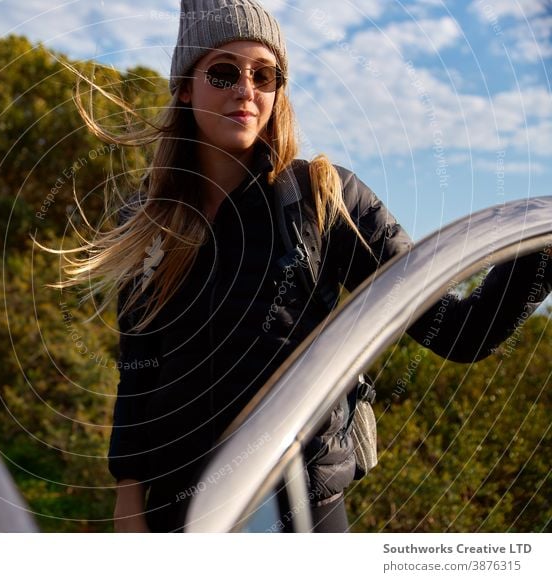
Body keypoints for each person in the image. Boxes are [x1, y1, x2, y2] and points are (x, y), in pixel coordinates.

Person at [41, 0, 552, 532]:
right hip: (180, 511)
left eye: (265, 75)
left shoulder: (326, 196)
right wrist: (130, 500)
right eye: (223, 72)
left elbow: (459, 331)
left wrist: (541, 256)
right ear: (186, 87)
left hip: (302, 507)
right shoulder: (146, 220)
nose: (246, 89)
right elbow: (140, 375)